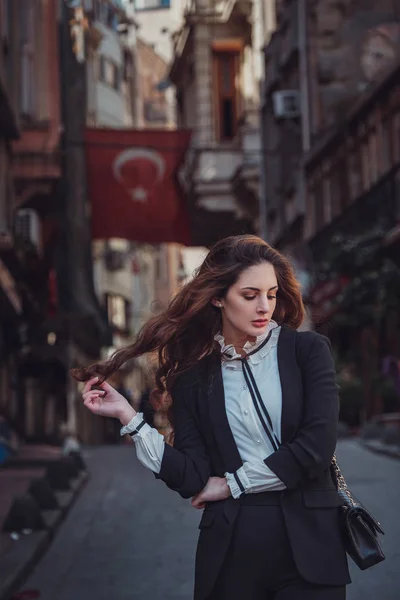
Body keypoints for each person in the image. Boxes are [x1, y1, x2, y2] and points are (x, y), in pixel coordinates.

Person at [73, 235, 350, 600]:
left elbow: (315, 448)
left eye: (271, 294)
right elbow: (192, 478)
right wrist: (129, 417)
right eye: (249, 296)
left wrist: (232, 484)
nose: (264, 306)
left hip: (311, 545)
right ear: (218, 297)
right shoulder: (193, 378)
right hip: (233, 550)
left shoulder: (307, 351)